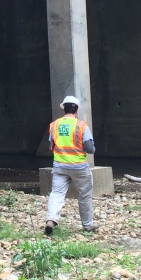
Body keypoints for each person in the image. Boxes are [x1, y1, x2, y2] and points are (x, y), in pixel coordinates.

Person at [44, 95, 96, 235]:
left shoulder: (54, 125)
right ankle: (87, 226)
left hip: (60, 166)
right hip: (79, 167)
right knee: (84, 195)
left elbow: (51, 145)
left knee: (57, 193)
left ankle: (51, 219)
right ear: (77, 109)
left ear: (64, 109)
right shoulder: (81, 125)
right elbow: (90, 148)